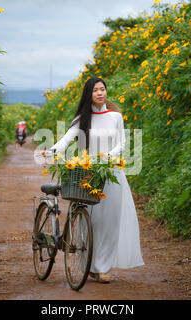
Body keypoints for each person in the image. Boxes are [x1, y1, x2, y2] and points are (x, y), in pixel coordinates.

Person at [41, 77, 144, 283]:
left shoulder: (115, 116)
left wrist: (108, 156)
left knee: (110, 223)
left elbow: (122, 143)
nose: (100, 93)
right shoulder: (82, 119)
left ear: (106, 92)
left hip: (111, 174)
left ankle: (102, 268)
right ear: (89, 94)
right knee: (92, 221)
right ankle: (88, 263)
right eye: (95, 90)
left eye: (103, 89)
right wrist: (51, 150)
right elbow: (66, 140)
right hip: (89, 174)